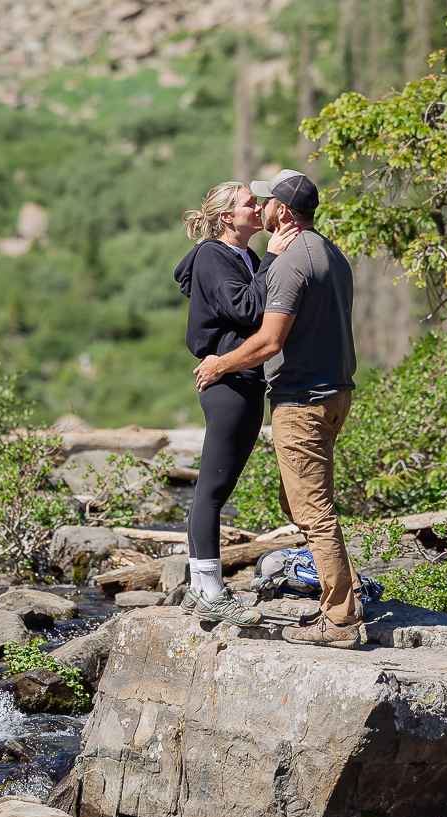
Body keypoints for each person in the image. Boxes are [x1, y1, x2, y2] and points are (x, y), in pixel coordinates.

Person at [191, 169, 362, 648]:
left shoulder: (287, 263)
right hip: (335, 392)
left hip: (302, 399)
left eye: (265, 201)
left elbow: (267, 339)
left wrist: (220, 365)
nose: (261, 207)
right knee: (298, 501)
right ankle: (338, 591)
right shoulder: (333, 253)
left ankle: (342, 619)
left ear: (283, 211)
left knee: (313, 510)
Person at [174, 181, 297, 627]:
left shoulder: (240, 256)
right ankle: (210, 591)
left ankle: (196, 588)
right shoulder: (214, 255)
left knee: (214, 489)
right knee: (212, 491)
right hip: (229, 381)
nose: (260, 208)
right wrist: (275, 259)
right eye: (251, 203)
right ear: (228, 217)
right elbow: (247, 309)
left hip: (242, 378)